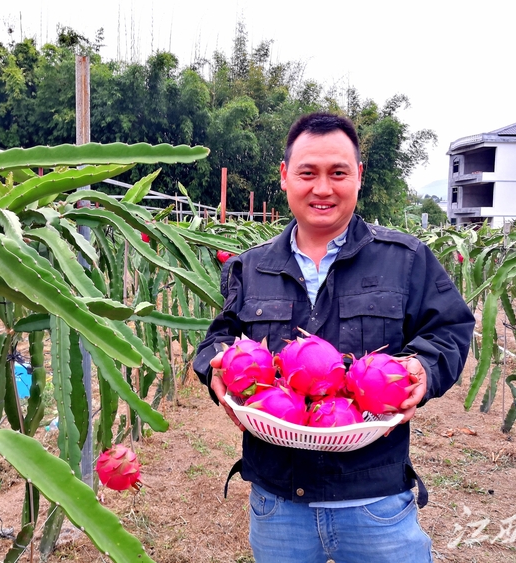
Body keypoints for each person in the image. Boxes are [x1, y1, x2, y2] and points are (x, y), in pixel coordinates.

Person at [193, 112, 475, 563]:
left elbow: (451, 329)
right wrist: (214, 370)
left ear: (358, 177)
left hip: (376, 501)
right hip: (278, 502)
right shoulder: (249, 267)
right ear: (285, 177)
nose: (322, 188)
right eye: (307, 173)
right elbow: (218, 339)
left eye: (338, 173)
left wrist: (423, 367)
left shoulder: (406, 259)